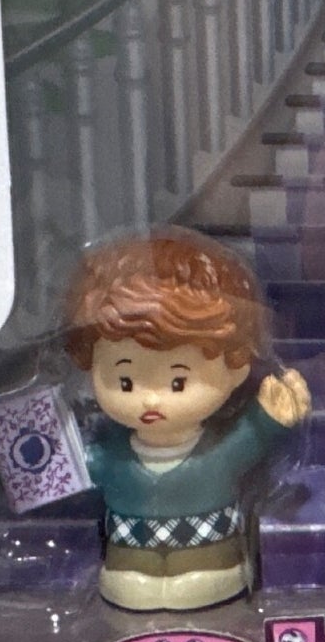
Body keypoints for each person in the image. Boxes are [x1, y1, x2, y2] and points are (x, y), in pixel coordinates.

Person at [65, 231, 309, 612]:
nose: (150, 400)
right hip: (129, 550)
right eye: (125, 382)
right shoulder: (110, 453)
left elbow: (251, 437)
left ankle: (209, 570)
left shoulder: (219, 450)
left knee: (203, 577)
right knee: (131, 580)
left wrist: (272, 416)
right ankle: (134, 570)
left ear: (236, 368)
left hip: (211, 550)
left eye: (178, 382)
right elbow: (73, 465)